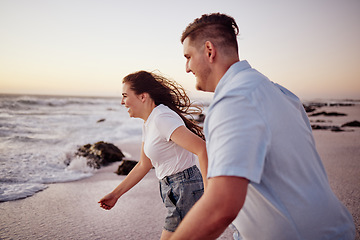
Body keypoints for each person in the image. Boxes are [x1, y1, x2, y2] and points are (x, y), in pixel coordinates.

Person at [170, 13, 356, 240]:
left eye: (188, 56)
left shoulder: (235, 99)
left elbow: (222, 206)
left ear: (209, 50)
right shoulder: (280, 93)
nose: (187, 68)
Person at [98, 70, 207, 240]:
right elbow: (144, 164)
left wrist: (210, 192)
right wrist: (115, 195)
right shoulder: (149, 122)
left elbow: (202, 149)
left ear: (143, 96)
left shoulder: (162, 118)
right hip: (174, 189)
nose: (122, 102)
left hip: (185, 188)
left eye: (125, 95)